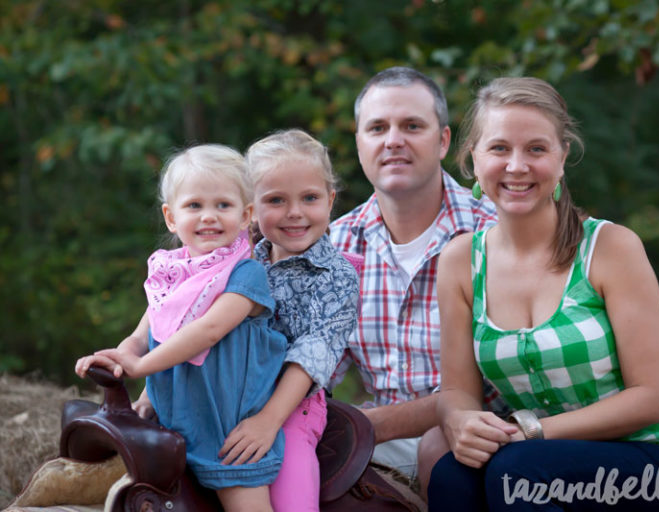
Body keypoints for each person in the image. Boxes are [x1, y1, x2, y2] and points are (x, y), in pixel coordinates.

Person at [428, 76, 659, 511]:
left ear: (563, 158)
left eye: (536, 149)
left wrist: (532, 429)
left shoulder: (609, 248)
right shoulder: (459, 262)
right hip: (545, 456)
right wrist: (459, 422)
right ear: (473, 157)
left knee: (518, 472)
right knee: (452, 475)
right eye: (499, 148)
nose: (516, 166)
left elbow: (651, 398)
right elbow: (457, 391)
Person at [75, 144, 287, 512]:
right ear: (171, 218)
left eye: (223, 205)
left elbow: (208, 330)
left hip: (228, 431)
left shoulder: (245, 273)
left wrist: (142, 365)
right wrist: (121, 358)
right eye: (194, 206)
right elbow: (145, 333)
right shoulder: (171, 275)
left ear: (246, 215)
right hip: (176, 423)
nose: (209, 216)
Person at [329, 66, 503, 486]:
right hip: (382, 444)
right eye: (377, 128)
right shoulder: (334, 249)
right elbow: (311, 373)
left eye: (412, 126)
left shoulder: (494, 233)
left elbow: (499, 387)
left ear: (443, 140)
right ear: (359, 143)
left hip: (491, 437)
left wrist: (368, 424)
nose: (393, 141)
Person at [219, 129, 360, 511]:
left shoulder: (337, 277)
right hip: (228, 391)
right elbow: (193, 322)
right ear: (251, 208)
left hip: (292, 405)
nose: (295, 212)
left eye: (310, 198)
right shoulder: (238, 261)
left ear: (330, 201)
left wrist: (269, 420)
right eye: (276, 200)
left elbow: (314, 353)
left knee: (290, 474)